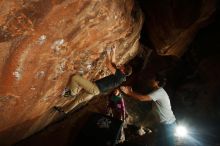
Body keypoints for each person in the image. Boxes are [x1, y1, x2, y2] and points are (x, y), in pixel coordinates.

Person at [120, 76, 176, 146]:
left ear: (157, 82)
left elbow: (143, 98)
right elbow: (144, 96)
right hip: (165, 125)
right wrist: (131, 92)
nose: (150, 80)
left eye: (152, 79)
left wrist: (129, 92)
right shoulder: (157, 92)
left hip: (168, 125)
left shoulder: (159, 92)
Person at [63, 47, 132, 97]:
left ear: (123, 70)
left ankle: (72, 93)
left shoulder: (120, 76)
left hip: (95, 88)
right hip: (96, 87)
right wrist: (113, 51)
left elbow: (108, 65)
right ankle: (74, 90)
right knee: (81, 89)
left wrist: (107, 53)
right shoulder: (121, 76)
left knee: (75, 78)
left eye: (123, 66)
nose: (122, 65)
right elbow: (113, 63)